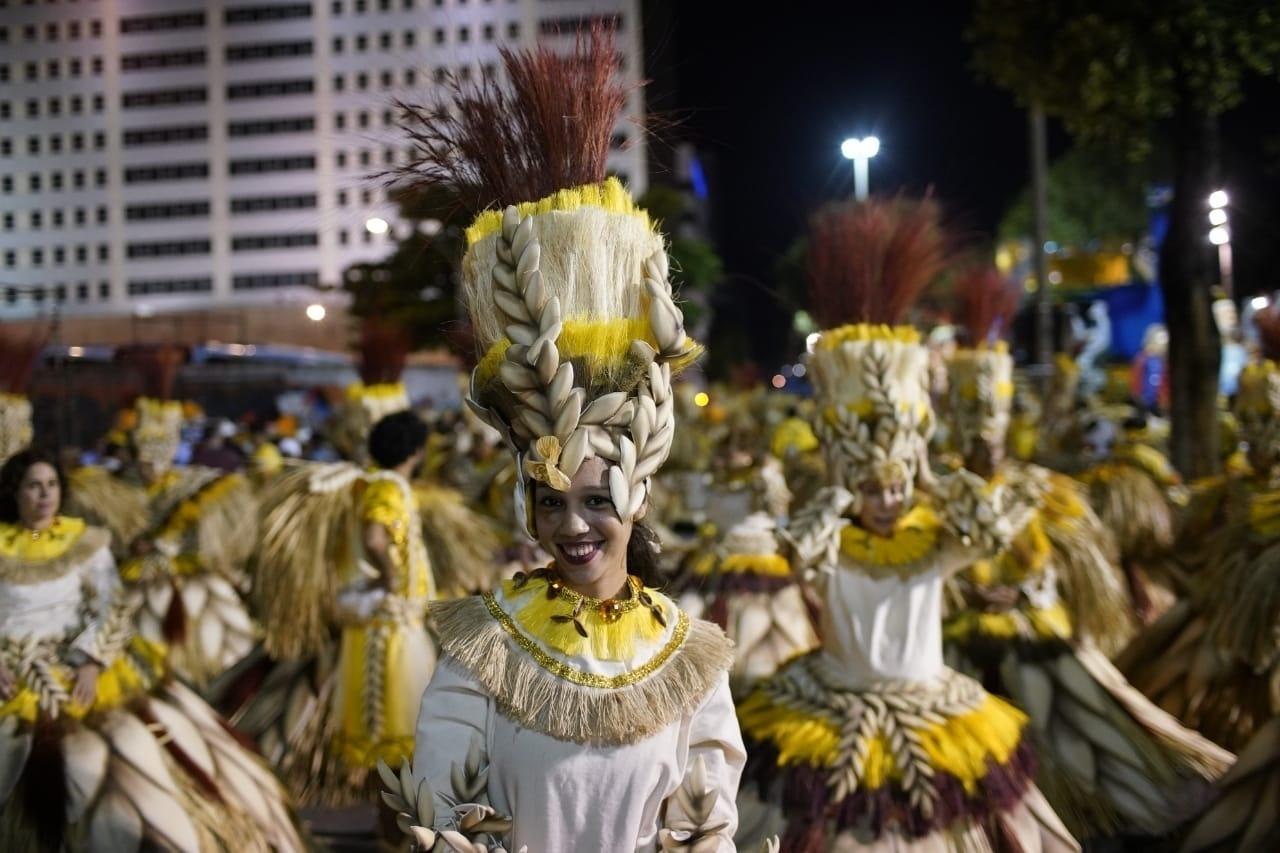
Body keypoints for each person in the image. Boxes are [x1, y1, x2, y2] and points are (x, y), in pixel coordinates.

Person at [385, 31, 746, 853]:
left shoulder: (689, 657)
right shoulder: (482, 645)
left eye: (593, 501)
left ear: (637, 497)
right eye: (552, 502)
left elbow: (707, 825)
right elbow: (443, 811)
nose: (572, 525)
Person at [0, 448, 305, 852]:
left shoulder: (86, 541)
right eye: (34, 486)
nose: (44, 495)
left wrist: (91, 662)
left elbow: (111, 606)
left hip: (81, 669)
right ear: (14, 492)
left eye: (52, 485)